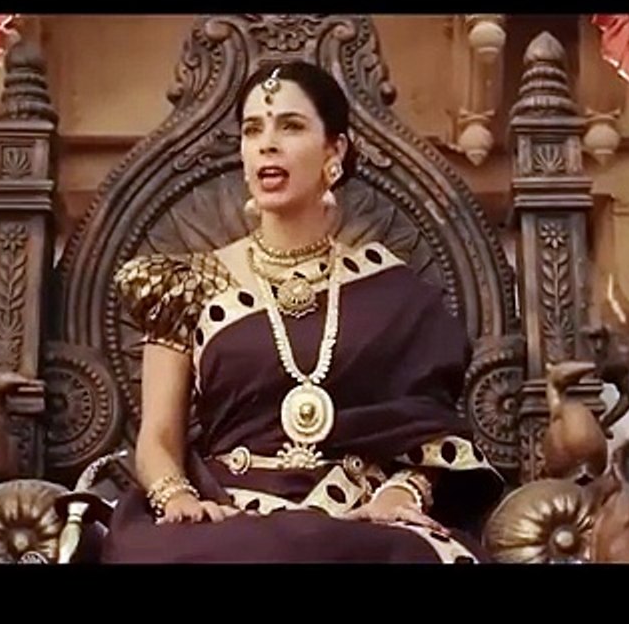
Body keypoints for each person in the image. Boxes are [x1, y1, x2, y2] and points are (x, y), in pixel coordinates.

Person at [101, 60, 504, 563]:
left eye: (290, 126)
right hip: (230, 518)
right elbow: (158, 439)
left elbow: (428, 433)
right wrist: (177, 499)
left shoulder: (398, 296)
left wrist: (402, 492)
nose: (267, 144)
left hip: (357, 518)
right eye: (253, 130)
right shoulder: (185, 284)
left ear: (335, 150)